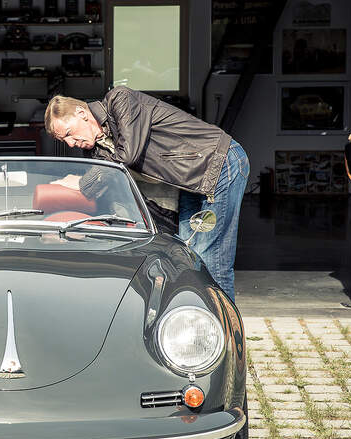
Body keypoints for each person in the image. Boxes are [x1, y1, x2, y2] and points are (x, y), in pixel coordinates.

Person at [44, 86, 249, 302]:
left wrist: (82, 182)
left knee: (212, 259)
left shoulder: (120, 100)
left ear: (82, 114)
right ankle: (199, 324)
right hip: (189, 182)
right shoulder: (97, 151)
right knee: (189, 256)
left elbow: (129, 154)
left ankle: (226, 331)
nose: (70, 143)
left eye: (68, 133)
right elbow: (117, 193)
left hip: (218, 162)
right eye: (63, 141)